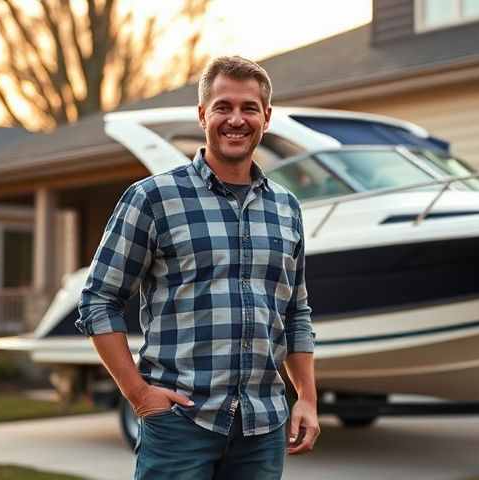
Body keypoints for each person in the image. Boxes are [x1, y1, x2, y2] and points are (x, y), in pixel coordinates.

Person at [76, 55, 319, 480]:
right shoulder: (153, 198)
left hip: (262, 428)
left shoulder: (287, 208)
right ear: (203, 113)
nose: (236, 120)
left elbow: (296, 312)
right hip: (180, 426)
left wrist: (307, 398)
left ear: (267, 116)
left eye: (249, 108)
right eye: (223, 107)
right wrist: (139, 395)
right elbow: (99, 299)